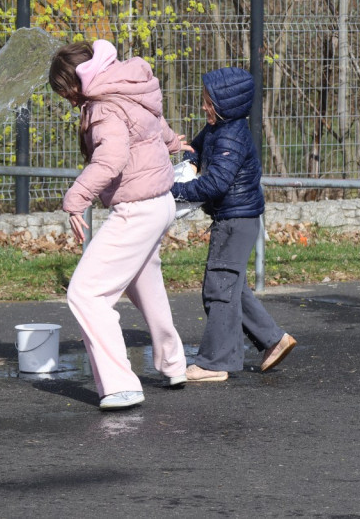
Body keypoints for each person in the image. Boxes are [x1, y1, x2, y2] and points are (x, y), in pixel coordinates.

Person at [49, 38, 188, 410]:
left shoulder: (103, 106)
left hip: (137, 208)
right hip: (161, 201)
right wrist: (173, 143)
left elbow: (111, 159)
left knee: (86, 293)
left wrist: (76, 199)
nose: (68, 100)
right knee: (146, 285)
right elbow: (153, 123)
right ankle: (174, 364)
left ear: (78, 80)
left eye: (66, 90)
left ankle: (121, 386)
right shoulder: (126, 84)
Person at [171, 67, 297, 382]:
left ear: (225, 103)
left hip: (235, 221)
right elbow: (197, 150)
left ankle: (216, 363)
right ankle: (274, 340)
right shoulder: (218, 127)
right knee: (233, 288)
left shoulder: (231, 135)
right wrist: (188, 162)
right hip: (235, 219)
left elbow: (216, 184)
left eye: (208, 102)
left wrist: (172, 190)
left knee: (219, 289)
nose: (204, 107)